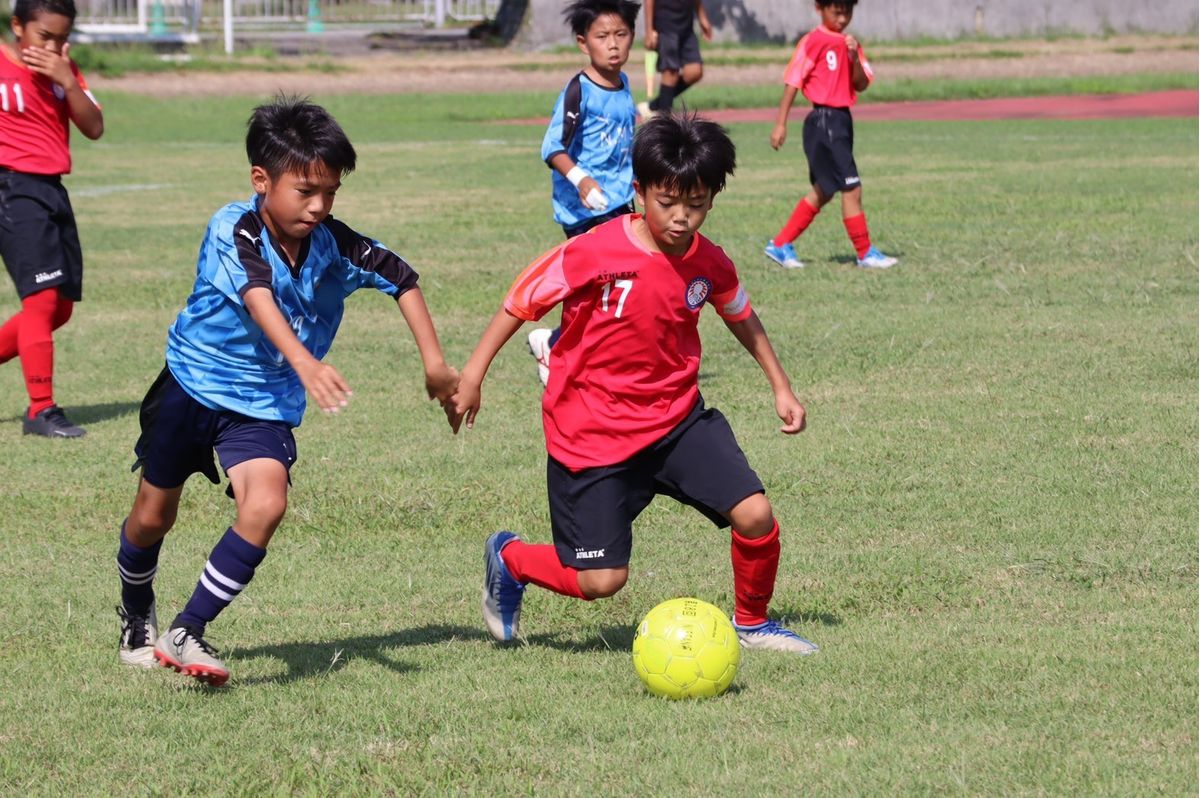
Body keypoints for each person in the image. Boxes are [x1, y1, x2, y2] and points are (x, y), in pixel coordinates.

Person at [113, 97, 458, 686]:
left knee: (267, 504)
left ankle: (187, 628)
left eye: (330, 191)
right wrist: (303, 361)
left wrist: (435, 365)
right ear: (261, 180)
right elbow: (257, 294)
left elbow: (402, 277)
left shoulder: (334, 243)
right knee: (152, 516)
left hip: (262, 404)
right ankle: (136, 609)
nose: (320, 206)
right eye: (305, 191)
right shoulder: (233, 227)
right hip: (191, 386)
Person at [452, 112, 819, 656]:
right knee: (601, 582)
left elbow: (740, 315)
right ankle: (510, 559)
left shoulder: (709, 262)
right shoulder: (594, 251)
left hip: (676, 420)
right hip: (593, 435)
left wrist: (780, 385)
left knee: (756, 514)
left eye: (695, 205)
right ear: (640, 190)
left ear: (712, 200)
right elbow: (520, 301)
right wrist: (474, 373)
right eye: (667, 202)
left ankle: (752, 623)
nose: (680, 218)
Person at [0, 0, 103, 437]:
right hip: (12, 188)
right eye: (45, 36)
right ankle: (41, 409)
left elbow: (94, 126)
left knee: (59, 308)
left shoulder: (65, 70)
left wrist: (67, 80)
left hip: (51, 190)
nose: (54, 46)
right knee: (40, 301)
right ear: (18, 26)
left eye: (63, 38)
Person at [527, 0, 640, 387]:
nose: (613, 45)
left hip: (621, 202)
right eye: (602, 36)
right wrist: (582, 180)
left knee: (624, 284)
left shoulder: (623, 85)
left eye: (621, 35)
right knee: (603, 286)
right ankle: (557, 347)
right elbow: (552, 147)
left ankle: (572, 350)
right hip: (585, 209)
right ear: (582, 42)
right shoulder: (579, 91)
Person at [764, 0, 897, 271]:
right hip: (824, 121)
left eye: (847, 12)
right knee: (852, 187)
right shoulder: (813, 41)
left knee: (824, 190)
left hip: (841, 120)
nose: (842, 18)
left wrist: (853, 57)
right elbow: (792, 82)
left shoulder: (851, 43)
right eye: (836, 12)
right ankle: (865, 253)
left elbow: (860, 83)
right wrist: (781, 123)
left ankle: (780, 245)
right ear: (819, 8)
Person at [638, 0, 712, 117]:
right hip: (666, 25)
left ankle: (653, 106)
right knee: (670, 72)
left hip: (686, 28)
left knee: (695, 72)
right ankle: (664, 124)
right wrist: (649, 31)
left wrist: (702, 18)